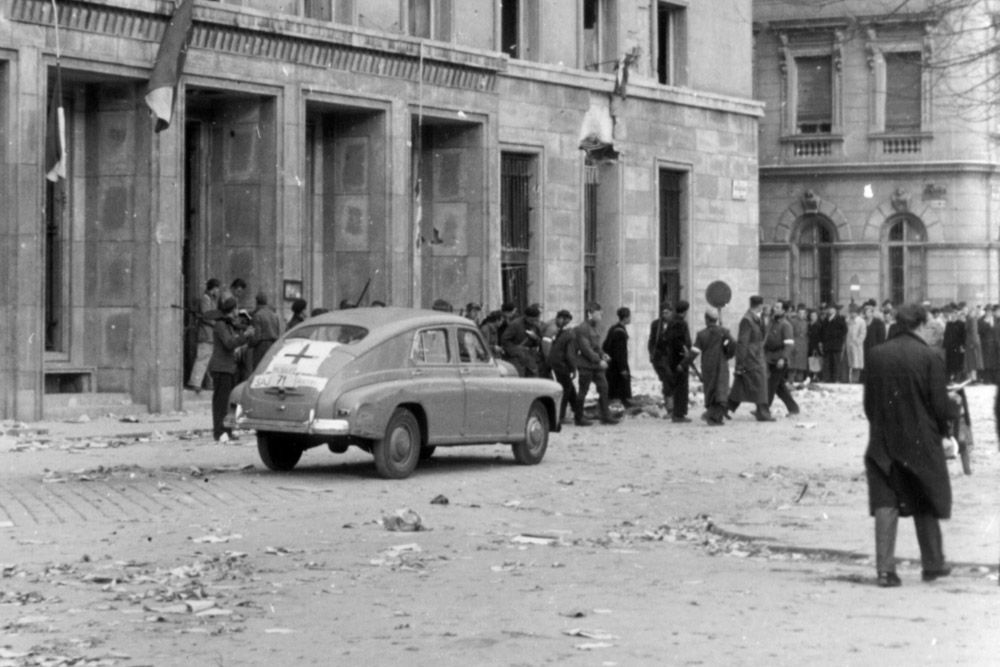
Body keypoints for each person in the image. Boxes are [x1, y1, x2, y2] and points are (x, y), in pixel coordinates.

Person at [863, 302, 952, 587]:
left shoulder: (876, 355)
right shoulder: (929, 357)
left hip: (883, 440)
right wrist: (945, 428)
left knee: (885, 502)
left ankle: (885, 571)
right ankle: (933, 565)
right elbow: (939, 406)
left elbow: (869, 404)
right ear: (920, 325)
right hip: (920, 441)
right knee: (924, 497)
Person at [208, 297, 255, 443]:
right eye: (235, 309)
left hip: (229, 368)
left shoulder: (228, 324)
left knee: (231, 403)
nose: (237, 312)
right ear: (231, 310)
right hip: (221, 368)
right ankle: (220, 432)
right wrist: (244, 336)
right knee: (221, 403)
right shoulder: (221, 325)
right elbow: (229, 344)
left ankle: (228, 430)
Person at [726, 295, 773, 421]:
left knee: (741, 385)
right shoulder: (747, 320)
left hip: (756, 356)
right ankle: (763, 413)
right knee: (760, 383)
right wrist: (739, 363)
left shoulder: (756, 318)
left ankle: (724, 408)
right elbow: (742, 343)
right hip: (751, 358)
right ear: (760, 306)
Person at [574, 302, 618, 425]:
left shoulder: (594, 327)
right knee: (583, 391)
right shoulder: (582, 328)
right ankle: (579, 417)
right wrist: (599, 360)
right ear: (590, 313)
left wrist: (603, 354)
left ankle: (605, 414)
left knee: (604, 388)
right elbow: (586, 349)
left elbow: (596, 347)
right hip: (586, 365)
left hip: (595, 365)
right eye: (598, 314)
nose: (601, 317)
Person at [690, 307, 735, 425]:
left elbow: (694, 352)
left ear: (706, 319)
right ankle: (713, 416)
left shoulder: (701, 334)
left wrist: (684, 363)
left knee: (710, 390)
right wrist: (728, 354)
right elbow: (733, 344)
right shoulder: (724, 332)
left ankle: (713, 416)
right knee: (721, 391)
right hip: (721, 365)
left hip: (708, 366)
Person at [547, 310, 588, 426]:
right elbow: (570, 354)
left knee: (569, 388)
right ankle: (560, 416)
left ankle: (577, 411)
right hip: (560, 364)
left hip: (556, 362)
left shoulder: (566, 333)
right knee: (566, 389)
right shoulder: (572, 336)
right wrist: (574, 369)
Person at [764, 299, 799, 415]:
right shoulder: (772, 322)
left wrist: (782, 358)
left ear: (784, 310)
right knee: (779, 387)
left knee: (771, 385)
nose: (775, 309)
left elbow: (789, 345)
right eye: (774, 307)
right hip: (770, 358)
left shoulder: (786, 325)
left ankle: (763, 409)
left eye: (778, 307)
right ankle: (793, 408)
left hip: (779, 360)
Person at [661, 300, 693, 423]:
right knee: (681, 387)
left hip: (673, 359)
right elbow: (678, 341)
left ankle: (677, 413)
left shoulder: (672, 322)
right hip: (680, 360)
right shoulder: (680, 323)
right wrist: (684, 350)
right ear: (685, 311)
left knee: (678, 386)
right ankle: (679, 414)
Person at [187, 278, 221, 394]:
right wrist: (216, 322)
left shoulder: (211, 299)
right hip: (206, 333)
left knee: (207, 358)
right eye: (217, 289)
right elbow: (207, 315)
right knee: (202, 357)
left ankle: (205, 382)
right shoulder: (206, 299)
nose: (218, 291)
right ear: (213, 288)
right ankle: (195, 382)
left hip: (210, 334)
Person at [648, 302, 676, 414]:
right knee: (667, 379)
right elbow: (651, 340)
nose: (665, 315)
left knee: (671, 380)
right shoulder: (656, 325)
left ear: (671, 312)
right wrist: (651, 353)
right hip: (660, 357)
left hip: (672, 357)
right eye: (663, 312)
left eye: (667, 313)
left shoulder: (676, 324)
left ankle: (673, 405)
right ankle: (670, 407)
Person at [501, 304, 542, 377]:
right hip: (517, 357)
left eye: (535, 319)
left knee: (533, 377)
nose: (533, 321)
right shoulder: (515, 324)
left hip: (530, 356)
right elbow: (504, 340)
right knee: (519, 377)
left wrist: (535, 338)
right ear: (526, 317)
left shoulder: (536, 325)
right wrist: (516, 351)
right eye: (532, 320)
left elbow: (540, 341)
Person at [603, 306, 632, 408]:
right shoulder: (620, 332)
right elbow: (620, 352)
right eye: (629, 316)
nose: (630, 319)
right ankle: (619, 404)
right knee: (620, 383)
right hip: (617, 364)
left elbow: (605, 345)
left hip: (612, 363)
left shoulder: (613, 328)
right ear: (625, 318)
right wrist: (622, 367)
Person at [250, 291, 282, 369]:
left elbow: (256, 337)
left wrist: (250, 344)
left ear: (256, 302)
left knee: (259, 369)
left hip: (261, 347)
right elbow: (278, 332)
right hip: (272, 346)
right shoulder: (274, 315)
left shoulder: (257, 315)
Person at [819, 303, 847, 383]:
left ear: (835, 310)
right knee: (827, 363)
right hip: (827, 345)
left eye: (832, 309)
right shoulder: (825, 320)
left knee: (836, 362)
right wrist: (822, 341)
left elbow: (844, 330)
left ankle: (836, 379)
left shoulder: (840, 319)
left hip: (836, 345)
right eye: (829, 309)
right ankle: (826, 378)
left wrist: (835, 334)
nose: (830, 310)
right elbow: (821, 331)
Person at [943, 303, 965, 381]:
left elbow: (963, 336)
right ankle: (949, 379)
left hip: (957, 346)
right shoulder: (948, 324)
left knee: (958, 363)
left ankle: (957, 378)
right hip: (949, 347)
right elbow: (946, 335)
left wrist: (962, 346)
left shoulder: (961, 324)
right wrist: (945, 345)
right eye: (952, 313)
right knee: (949, 363)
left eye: (955, 313)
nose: (953, 315)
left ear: (957, 314)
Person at [846, 304, 867, 383]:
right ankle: (850, 380)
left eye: (853, 312)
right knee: (850, 364)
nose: (852, 314)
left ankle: (856, 381)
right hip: (849, 345)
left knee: (856, 365)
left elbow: (863, 333)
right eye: (850, 312)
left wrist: (857, 342)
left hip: (856, 346)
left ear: (857, 312)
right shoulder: (849, 321)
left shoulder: (861, 321)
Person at [789, 303, 810, 383]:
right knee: (793, 365)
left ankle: (799, 381)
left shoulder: (806, 322)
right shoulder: (792, 321)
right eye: (800, 313)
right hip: (795, 343)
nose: (801, 315)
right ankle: (791, 381)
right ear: (797, 313)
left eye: (803, 313)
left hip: (803, 345)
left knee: (801, 366)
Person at [964, 304, 983, 382]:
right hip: (973, 343)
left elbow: (971, 332)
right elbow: (974, 332)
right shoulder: (973, 320)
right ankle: (973, 378)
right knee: (974, 361)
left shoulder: (969, 319)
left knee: (970, 361)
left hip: (969, 342)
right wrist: (974, 343)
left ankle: (971, 378)